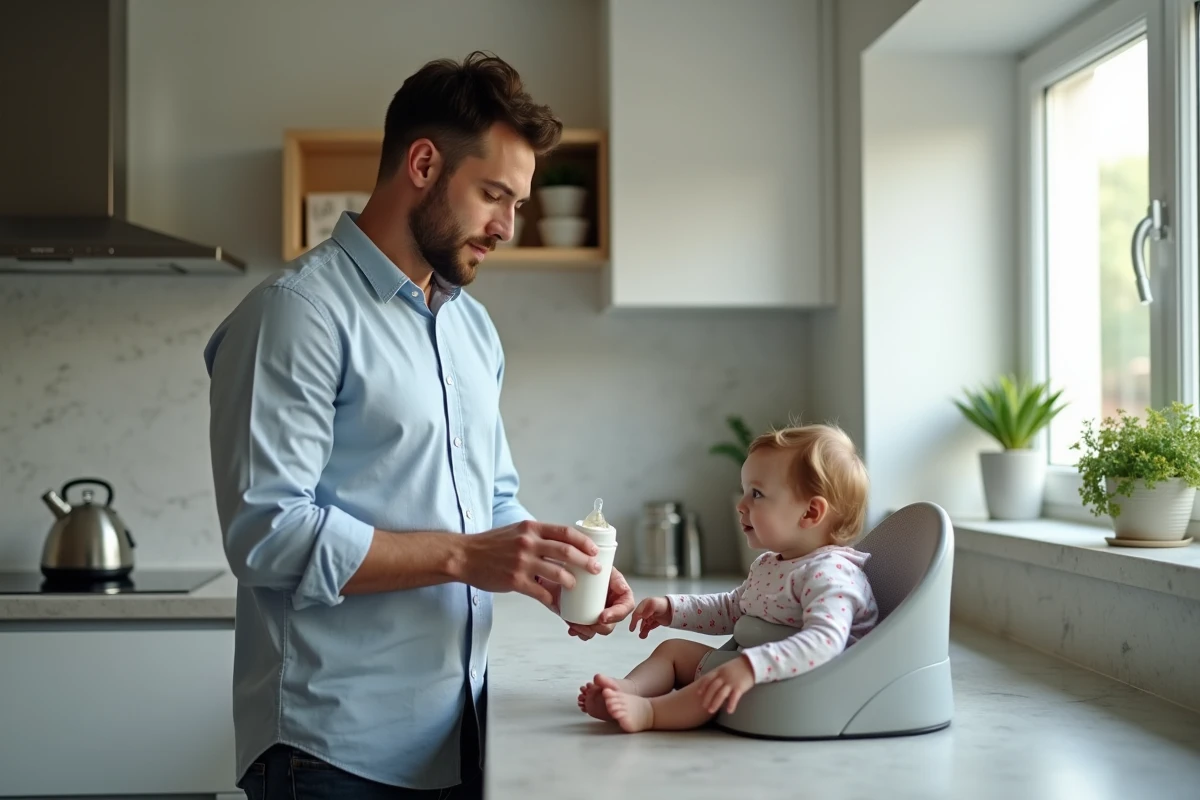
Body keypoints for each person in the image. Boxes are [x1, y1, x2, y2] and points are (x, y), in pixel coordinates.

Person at [204, 51, 634, 799]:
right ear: (425, 164)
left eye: (520, 203)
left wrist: (561, 566)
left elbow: (491, 500)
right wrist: (466, 558)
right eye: (493, 194)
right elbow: (266, 533)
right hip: (331, 752)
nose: (507, 226)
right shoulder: (297, 315)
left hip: (456, 732)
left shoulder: (472, 329)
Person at [578, 424, 877, 733]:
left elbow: (824, 642)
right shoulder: (771, 564)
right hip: (751, 666)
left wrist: (751, 666)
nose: (741, 504)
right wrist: (673, 609)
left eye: (757, 494)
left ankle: (650, 713)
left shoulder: (832, 575)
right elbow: (732, 609)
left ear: (810, 513)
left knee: (708, 685)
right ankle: (629, 689)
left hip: (799, 684)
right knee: (672, 651)